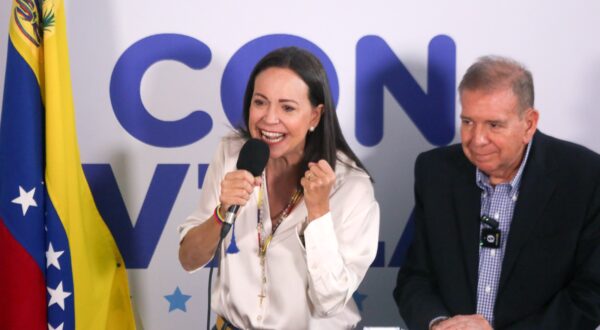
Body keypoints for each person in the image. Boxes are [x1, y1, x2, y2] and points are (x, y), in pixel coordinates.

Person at [178, 47, 380, 329]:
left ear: (314, 116)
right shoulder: (232, 153)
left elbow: (330, 303)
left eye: (287, 107)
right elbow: (188, 259)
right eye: (260, 102)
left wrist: (319, 213)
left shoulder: (351, 187)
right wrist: (221, 214)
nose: (269, 119)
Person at [394, 56, 600, 329]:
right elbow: (415, 278)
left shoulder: (582, 175)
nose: (477, 139)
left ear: (528, 124)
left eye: (494, 125)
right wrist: (439, 324)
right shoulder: (435, 172)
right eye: (468, 121)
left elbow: (591, 294)